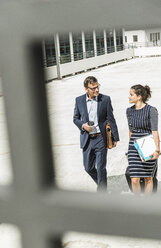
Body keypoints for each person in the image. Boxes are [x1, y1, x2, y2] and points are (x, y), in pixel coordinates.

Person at [73, 76, 119, 191]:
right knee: (88, 168)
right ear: (86, 89)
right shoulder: (79, 100)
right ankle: (101, 183)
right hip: (87, 139)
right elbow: (75, 118)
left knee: (101, 168)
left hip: (101, 138)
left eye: (97, 87)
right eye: (93, 88)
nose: (96, 90)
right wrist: (83, 126)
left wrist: (115, 138)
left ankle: (102, 192)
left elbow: (111, 119)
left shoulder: (105, 99)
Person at [126, 84, 160, 194]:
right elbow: (130, 131)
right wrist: (129, 150)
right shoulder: (129, 111)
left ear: (139, 96)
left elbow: (155, 131)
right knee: (134, 179)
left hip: (148, 145)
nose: (129, 97)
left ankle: (146, 205)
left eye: (131, 95)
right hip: (133, 146)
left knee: (148, 178)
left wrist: (157, 150)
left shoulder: (151, 110)